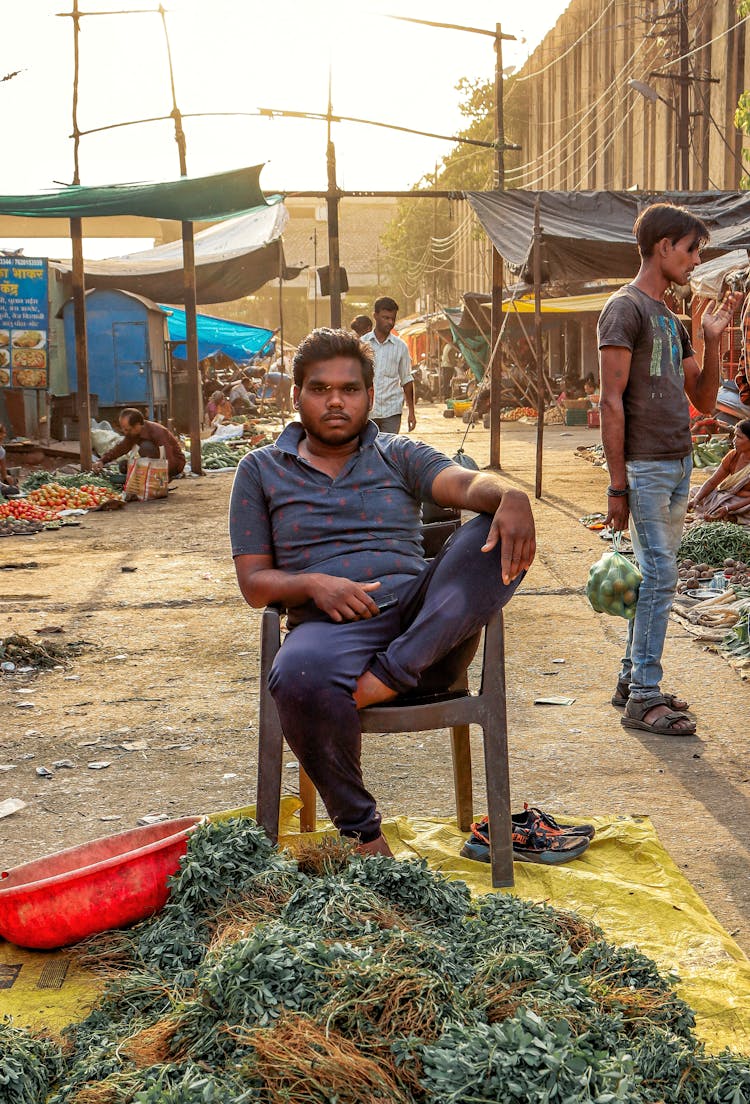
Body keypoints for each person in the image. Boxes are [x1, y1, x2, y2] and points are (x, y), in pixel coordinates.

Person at [229, 327, 535, 856]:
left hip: (425, 626)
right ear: (296, 395)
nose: (335, 401)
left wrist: (509, 494)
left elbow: (463, 485)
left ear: (370, 398)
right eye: (320, 389)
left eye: (349, 389)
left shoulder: (395, 453)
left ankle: (391, 674)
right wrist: (311, 584)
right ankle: (363, 835)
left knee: (491, 537)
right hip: (330, 632)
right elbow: (255, 584)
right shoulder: (261, 470)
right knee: (296, 677)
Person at [598, 202, 741, 737]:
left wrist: (711, 340)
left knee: (651, 576)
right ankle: (644, 697)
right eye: (691, 248)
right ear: (663, 247)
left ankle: (631, 678)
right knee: (659, 576)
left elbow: (703, 399)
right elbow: (611, 402)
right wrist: (616, 485)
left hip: (678, 464)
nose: (696, 259)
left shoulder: (671, 320)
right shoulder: (624, 309)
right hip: (644, 467)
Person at [361, 297, 415, 434]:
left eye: (392, 319)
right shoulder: (362, 344)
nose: (390, 322)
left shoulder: (401, 347)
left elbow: (407, 380)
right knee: (367, 451)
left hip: (392, 412)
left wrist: (411, 412)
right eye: (386, 318)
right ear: (375, 316)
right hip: (366, 412)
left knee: (389, 451)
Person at [94, 408, 186, 479]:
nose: (125, 432)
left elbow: (168, 458)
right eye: (124, 429)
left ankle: (153, 476)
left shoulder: (157, 432)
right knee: (124, 465)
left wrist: (162, 477)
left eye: (127, 429)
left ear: (138, 425)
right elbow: (121, 448)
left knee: (145, 446)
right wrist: (102, 461)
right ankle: (149, 474)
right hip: (154, 462)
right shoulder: (133, 433)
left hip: (173, 464)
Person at [688, 419, 750, 525]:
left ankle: (730, 515)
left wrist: (728, 508)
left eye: (739, 437)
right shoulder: (733, 456)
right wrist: (696, 499)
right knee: (695, 491)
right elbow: (712, 482)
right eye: (734, 436)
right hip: (729, 497)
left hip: (744, 502)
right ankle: (729, 515)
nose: (734, 440)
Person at [0, 424, 20, 497]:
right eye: (3, 433)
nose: (5, 435)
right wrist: (8, 485)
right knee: (15, 490)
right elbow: (4, 475)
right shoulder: (1, 450)